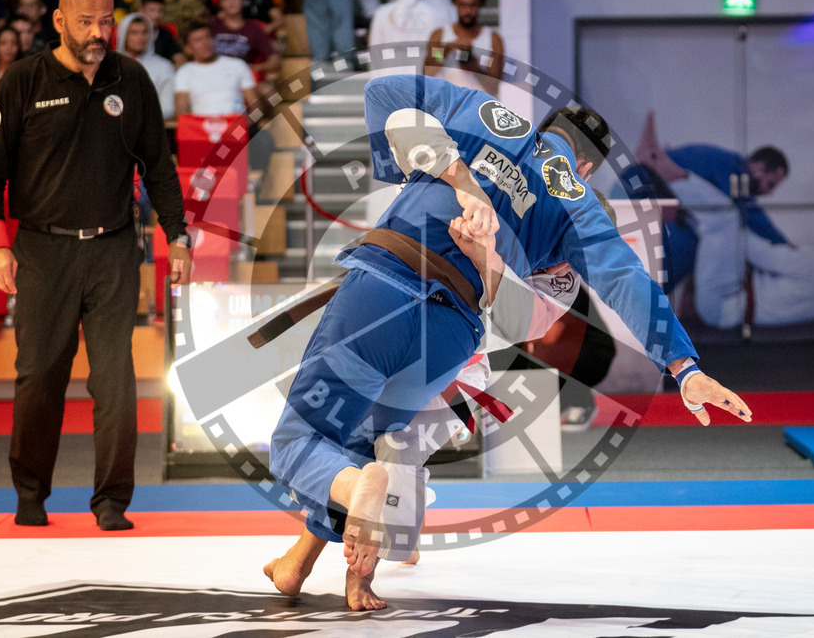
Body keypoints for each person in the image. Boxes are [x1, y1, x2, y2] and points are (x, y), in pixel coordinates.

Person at [266, 74, 753, 604]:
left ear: (548, 126)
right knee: (367, 447)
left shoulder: (485, 115)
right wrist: (684, 366)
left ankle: (352, 498)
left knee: (300, 439)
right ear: (587, 168)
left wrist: (442, 176)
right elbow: (625, 282)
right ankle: (316, 565)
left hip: (387, 287)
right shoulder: (579, 205)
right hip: (451, 336)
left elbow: (382, 95)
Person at [0, 0, 191, 531]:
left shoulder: (131, 78)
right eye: (88, 22)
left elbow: (159, 166)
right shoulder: (22, 80)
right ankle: (30, 492)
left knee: (115, 379)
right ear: (59, 21)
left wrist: (178, 235)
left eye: (107, 22)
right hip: (42, 251)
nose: (99, 33)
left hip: (115, 249)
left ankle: (112, 501)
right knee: (40, 374)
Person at [265, 235, 584, 609]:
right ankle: (314, 561)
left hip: (454, 365)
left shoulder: (561, 280)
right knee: (367, 454)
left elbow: (507, 326)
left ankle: (343, 570)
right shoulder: (512, 219)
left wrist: (490, 260)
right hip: (417, 333)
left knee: (388, 451)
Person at [669, 173, 814, 329]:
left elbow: (761, 254)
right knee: (715, 228)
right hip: (730, 310)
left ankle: (673, 177)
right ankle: (684, 207)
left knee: (726, 217)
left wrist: (734, 226)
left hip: (722, 300)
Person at [629, 110, 791, 290]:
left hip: (640, 185)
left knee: (709, 230)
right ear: (759, 168)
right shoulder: (734, 173)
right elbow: (754, 218)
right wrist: (788, 248)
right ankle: (646, 292)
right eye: (770, 184)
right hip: (644, 187)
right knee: (706, 236)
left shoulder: (724, 162)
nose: (769, 194)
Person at [424, 0, 504, 96]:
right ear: (454, 3)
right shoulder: (439, 35)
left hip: (479, 108)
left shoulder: (493, 40)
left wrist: (475, 68)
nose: (467, 11)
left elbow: (494, 88)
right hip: (448, 107)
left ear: (481, 4)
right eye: (462, 5)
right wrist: (447, 49)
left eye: (473, 5)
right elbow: (428, 73)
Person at [174, 22, 261, 117]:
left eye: (208, 37)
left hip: (236, 126)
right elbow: (181, 110)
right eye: (198, 40)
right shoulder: (184, 72)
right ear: (188, 49)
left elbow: (256, 104)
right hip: (201, 128)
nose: (205, 43)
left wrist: (245, 126)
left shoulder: (237, 65)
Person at [210, 0, 279, 82]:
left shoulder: (254, 28)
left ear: (243, 0)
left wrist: (256, 68)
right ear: (220, 3)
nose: (231, 2)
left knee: (267, 91)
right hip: (213, 77)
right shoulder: (212, 27)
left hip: (242, 80)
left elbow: (275, 60)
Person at [117, 12, 175, 120]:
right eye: (134, 32)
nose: (140, 37)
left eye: (144, 32)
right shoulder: (111, 64)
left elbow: (168, 107)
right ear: (123, 35)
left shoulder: (164, 66)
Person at [138, 0, 186, 67]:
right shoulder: (129, 32)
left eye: (160, 11)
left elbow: (179, 58)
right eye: (152, 10)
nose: (157, 15)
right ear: (141, 10)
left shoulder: (165, 34)